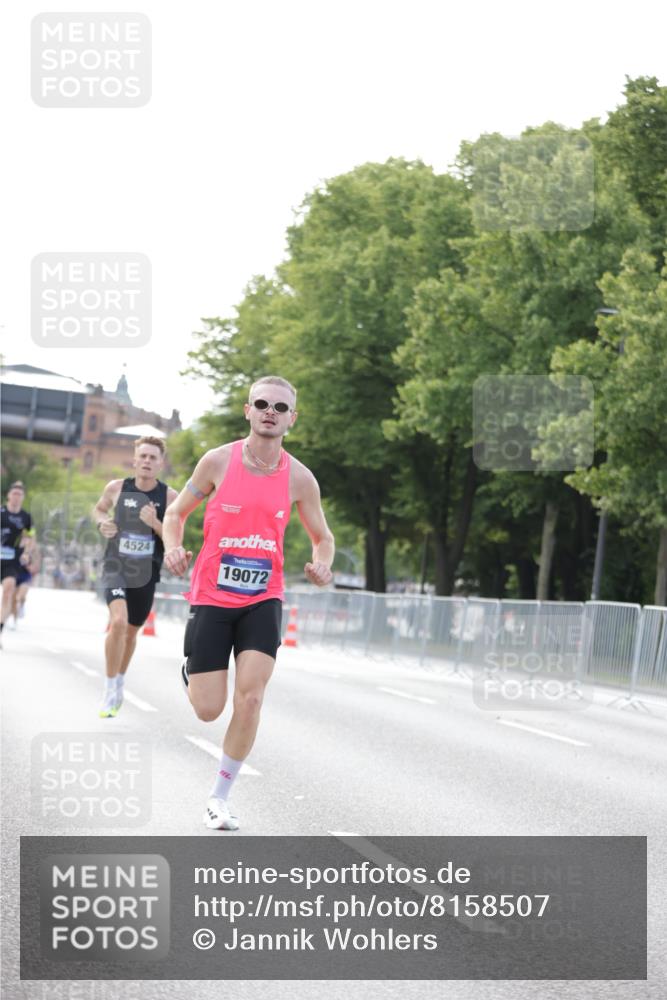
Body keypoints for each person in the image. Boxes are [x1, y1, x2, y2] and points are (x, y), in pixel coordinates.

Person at [163, 375, 334, 831]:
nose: (270, 412)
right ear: (248, 410)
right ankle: (192, 672)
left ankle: (220, 797)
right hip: (212, 597)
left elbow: (323, 538)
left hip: (264, 597)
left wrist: (322, 565)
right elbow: (176, 514)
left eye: (280, 407)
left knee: (252, 699)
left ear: (291, 419)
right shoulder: (218, 462)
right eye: (262, 403)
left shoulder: (300, 478)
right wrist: (173, 547)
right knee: (208, 710)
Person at [92, 437, 178, 717]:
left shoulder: (170, 498)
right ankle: (107, 688)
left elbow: (175, 536)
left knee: (130, 633)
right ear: (134, 459)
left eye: (153, 457)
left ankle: (119, 681)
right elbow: (99, 509)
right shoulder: (117, 488)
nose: (147, 461)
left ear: (161, 463)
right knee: (117, 623)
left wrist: (154, 522)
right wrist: (101, 523)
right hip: (115, 566)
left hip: (146, 573)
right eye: (143, 456)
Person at [1, 482, 36, 643]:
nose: (16, 497)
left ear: (22, 498)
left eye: (19, 495)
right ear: (9, 495)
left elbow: (31, 537)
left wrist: (27, 553)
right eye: (14, 493)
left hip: (12, 560)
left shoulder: (26, 517)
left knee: (8, 592)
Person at [11, 541, 41, 627]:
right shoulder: (14, 549)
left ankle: (22, 606)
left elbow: (34, 568)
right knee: (14, 600)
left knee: (20, 597)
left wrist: (26, 564)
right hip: (15, 576)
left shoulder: (33, 553)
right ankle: (14, 620)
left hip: (25, 577)